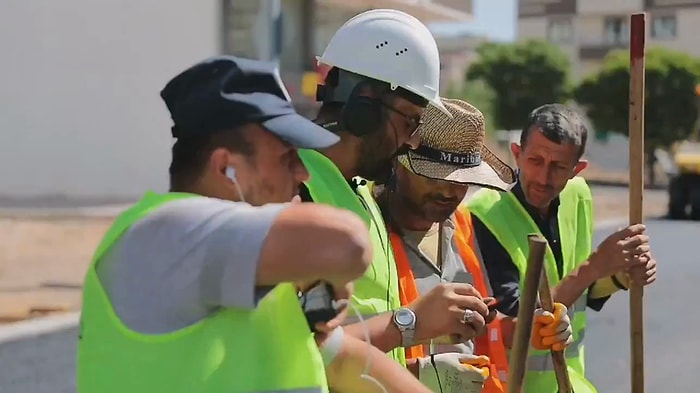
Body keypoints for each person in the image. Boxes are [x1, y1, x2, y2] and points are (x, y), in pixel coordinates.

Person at [76, 55, 435, 393]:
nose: (303, 171)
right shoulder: (163, 233)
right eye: (285, 157)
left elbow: (344, 359)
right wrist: (325, 270)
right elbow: (347, 244)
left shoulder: (247, 269)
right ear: (224, 168)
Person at [300, 8, 494, 373]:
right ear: (364, 106)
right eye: (409, 121)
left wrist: (415, 374)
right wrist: (411, 324)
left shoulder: (359, 191)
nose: (411, 141)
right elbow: (302, 350)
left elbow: (357, 339)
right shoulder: (296, 189)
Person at [375, 98, 576, 393]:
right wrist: (413, 375)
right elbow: (336, 351)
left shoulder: (464, 228)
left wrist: (527, 331)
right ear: (399, 161)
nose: (449, 190)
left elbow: (485, 328)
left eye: (461, 179)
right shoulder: (367, 234)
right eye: (435, 174)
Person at [467, 103, 658, 392]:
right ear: (517, 155)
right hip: (513, 386)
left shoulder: (578, 197)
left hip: (570, 382)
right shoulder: (484, 214)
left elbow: (582, 291)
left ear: (576, 169)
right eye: (535, 161)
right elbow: (518, 324)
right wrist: (593, 266)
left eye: (558, 167)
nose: (544, 178)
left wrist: (619, 276)